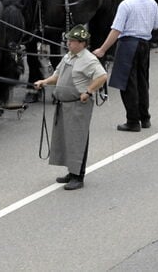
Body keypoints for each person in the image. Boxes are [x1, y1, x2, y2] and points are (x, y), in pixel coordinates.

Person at [33, 24, 107, 190]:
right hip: (64, 105)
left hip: (77, 106)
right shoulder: (68, 56)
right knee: (66, 139)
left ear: (82, 43)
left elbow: (102, 76)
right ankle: (71, 171)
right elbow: (57, 75)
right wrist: (44, 82)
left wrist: (88, 91)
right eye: (69, 41)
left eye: (72, 41)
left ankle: (78, 176)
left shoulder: (88, 59)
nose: (69, 44)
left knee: (77, 140)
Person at [92, 0, 158, 131]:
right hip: (144, 44)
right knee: (142, 81)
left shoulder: (125, 4)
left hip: (128, 44)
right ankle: (145, 117)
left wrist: (102, 49)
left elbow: (116, 30)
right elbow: (156, 25)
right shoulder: (152, 3)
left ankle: (133, 121)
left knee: (128, 84)